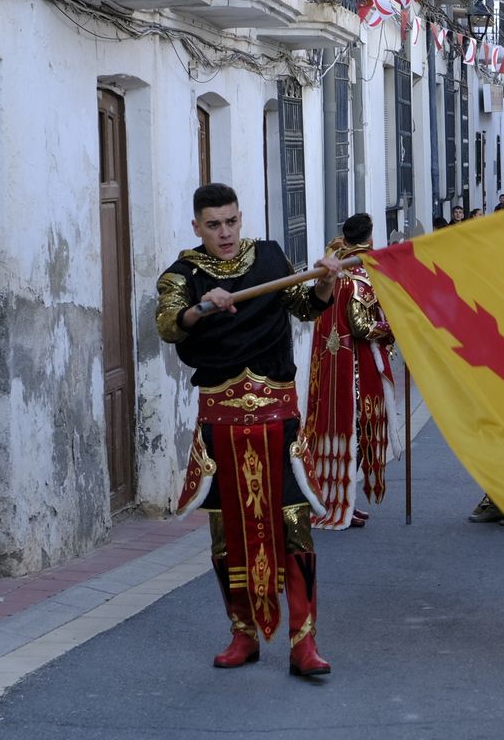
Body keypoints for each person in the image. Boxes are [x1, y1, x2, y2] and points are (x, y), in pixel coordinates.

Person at [156, 183, 344, 676]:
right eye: (214, 225)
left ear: (242, 219)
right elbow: (170, 325)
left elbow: (305, 305)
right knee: (226, 532)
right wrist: (203, 307)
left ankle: (304, 643)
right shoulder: (183, 275)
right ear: (197, 226)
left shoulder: (270, 258)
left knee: (296, 524)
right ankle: (242, 635)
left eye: (232, 222)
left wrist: (324, 282)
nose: (225, 233)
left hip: (277, 419)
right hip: (220, 425)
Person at [305, 214, 396, 533]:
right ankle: (339, 502)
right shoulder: (360, 275)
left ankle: (334, 499)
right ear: (370, 238)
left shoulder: (334, 263)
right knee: (356, 431)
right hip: (355, 368)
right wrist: (390, 328)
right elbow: (360, 325)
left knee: (335, 432)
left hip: (331, 364)